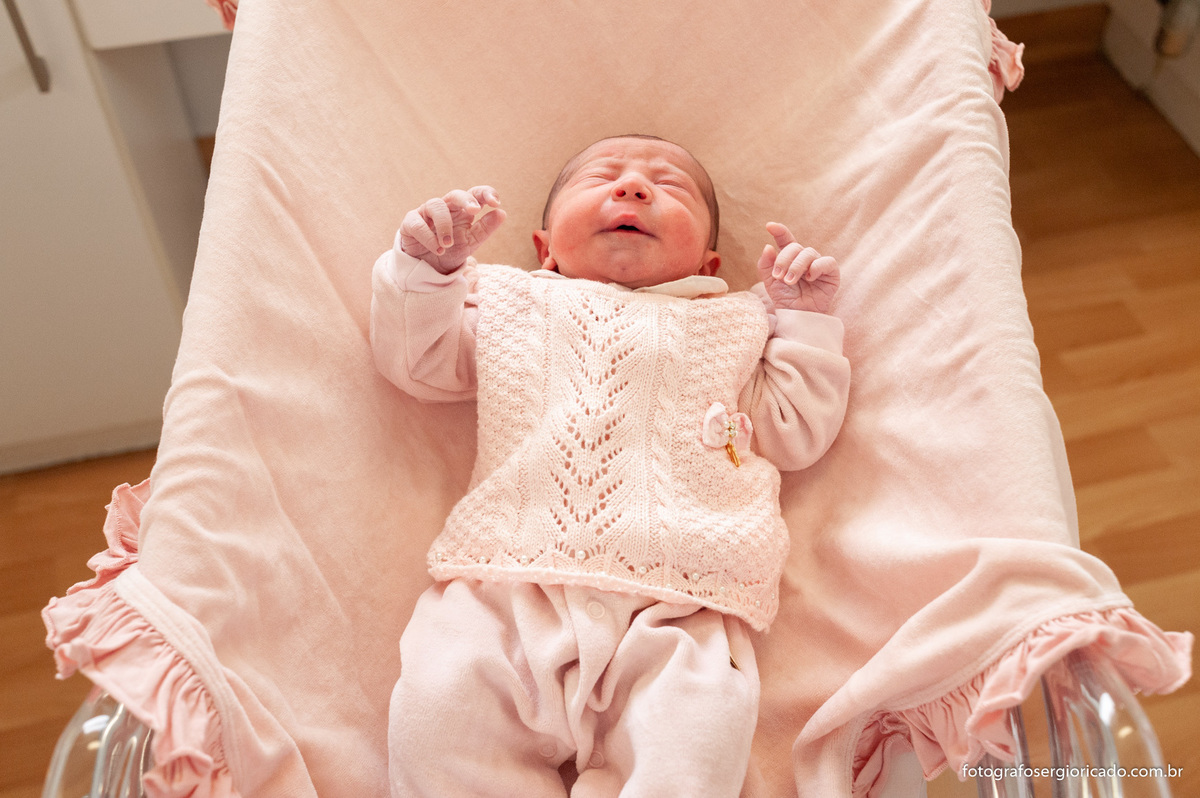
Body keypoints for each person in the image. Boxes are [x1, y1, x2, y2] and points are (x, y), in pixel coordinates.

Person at [371, 134, 851, 797]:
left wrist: (807, 323)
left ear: (708, 261)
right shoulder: (511, 302)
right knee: (440, 715)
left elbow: (796, 430)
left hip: (677, 607)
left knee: (693, 743)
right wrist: (426, 269)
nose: (632, 188)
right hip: (506, 588)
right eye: (603, 177)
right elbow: (417, 363)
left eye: (670, 187)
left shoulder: (733, 323)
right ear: (545, 248)